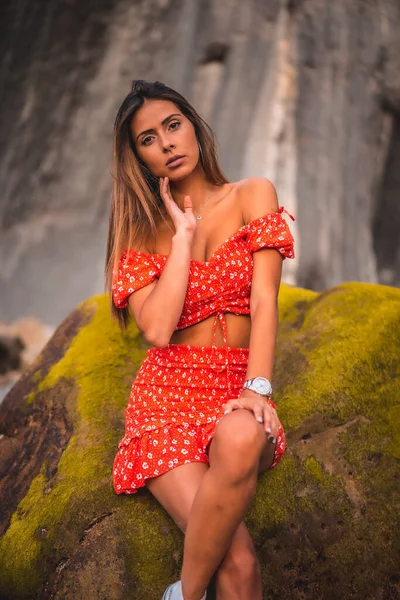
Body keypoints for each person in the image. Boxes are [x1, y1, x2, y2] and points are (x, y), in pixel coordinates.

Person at [105, 80, 295, 600]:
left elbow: (264, 301)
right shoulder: (142, 233)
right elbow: (158, 329)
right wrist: (183, 237)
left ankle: (181, 597)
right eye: (148, 139)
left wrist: (257, 387)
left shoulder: (253, 194)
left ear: (194, 126)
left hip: (235, 384)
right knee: (238, 564)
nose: (166, 143)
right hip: (167, 399)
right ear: (139, 159)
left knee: (240, 436)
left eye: (172, 126)